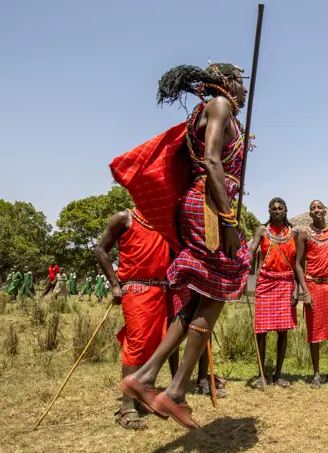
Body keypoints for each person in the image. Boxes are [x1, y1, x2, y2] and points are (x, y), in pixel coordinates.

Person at [114, 62, 250, 430]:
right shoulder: (219, 105)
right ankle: (174, 392)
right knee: (218, 289)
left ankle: (146, 377)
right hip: (208, 210)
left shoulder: (208, 110)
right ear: (226, 82)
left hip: (204, 205)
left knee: (195, 301)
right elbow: (211, 161)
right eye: (241, 82)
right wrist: (229, 220)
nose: (244, 90)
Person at [95, 208, 173, 430]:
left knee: (154, 346)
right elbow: (101, 250)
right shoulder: (124, 218)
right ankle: (127, 405)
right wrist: (113, 283)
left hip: (160, 290)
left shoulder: (165, 219)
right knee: (137, 345)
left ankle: (143, 397)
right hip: (136, 290)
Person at [248, 198, 298, 388]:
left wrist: (298, 289)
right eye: (273, 208)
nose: (277, 211)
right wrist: (243, 265)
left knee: (283, 331)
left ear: (286, 210)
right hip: (265, 282)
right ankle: (261, 374)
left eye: (280, 208)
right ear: (269, 210)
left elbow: (299, 263)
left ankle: (278, 374)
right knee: (261, 331)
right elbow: (251, 251)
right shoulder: (262, 231)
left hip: (286, 283)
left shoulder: (294, 233)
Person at [295, 200, 328, 388]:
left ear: (325, 211)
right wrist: (304, 291)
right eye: (312, 208)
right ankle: (316, 373)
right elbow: (298, 264)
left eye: (319, 207)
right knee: (314, 331)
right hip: (313, 286)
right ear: (310, 214)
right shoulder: (304, 234)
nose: (316, 210)